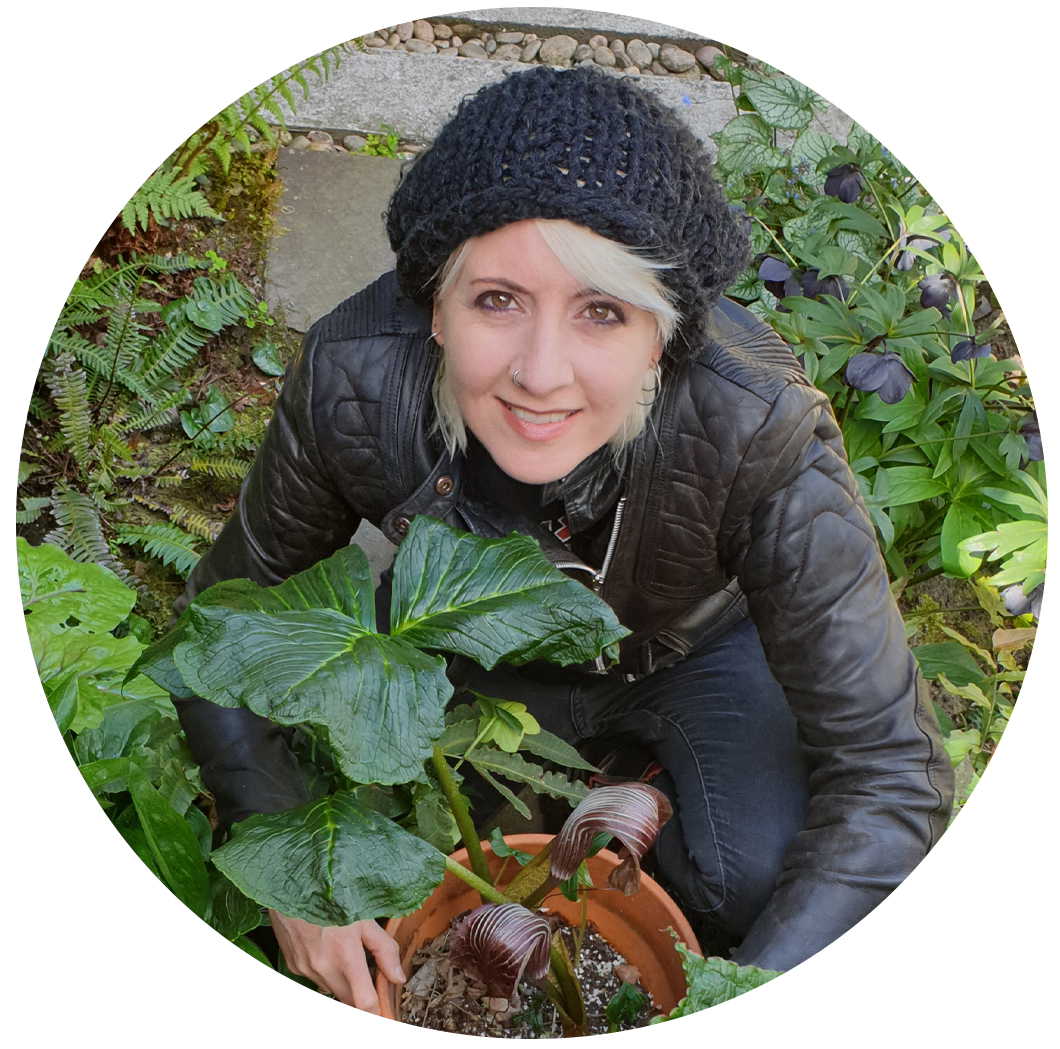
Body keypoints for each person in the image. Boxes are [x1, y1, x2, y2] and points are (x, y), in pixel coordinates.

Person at [172, 65, 954, 1013]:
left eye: (602, 312)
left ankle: (637, 785)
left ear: (665, 334)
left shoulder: (756, 427)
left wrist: (742, 1007)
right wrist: (292, 864)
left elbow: (888, 768)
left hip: (690, 648)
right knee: (426, 866)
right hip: (469, 646)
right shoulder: (352, 378)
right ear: (434, 305)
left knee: (749, 881)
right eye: (496, 300)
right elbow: (220, 615)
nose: (541, 373)